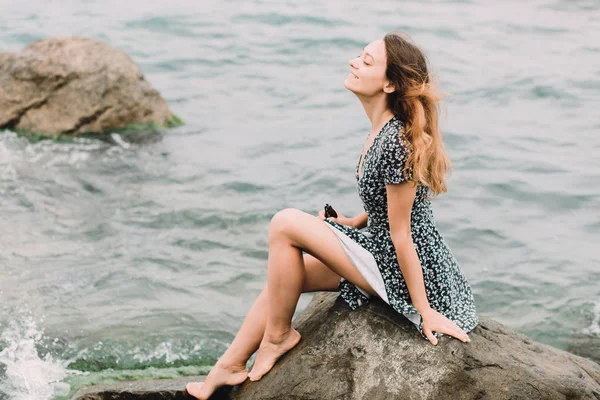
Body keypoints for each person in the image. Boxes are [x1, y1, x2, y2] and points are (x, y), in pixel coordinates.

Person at [185, 31, 478, 400]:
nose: (354, 63)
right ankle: (228, 366)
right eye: (359, 56)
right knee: (284, 279)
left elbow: (403, 233)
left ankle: (277, 337)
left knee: (285, 223)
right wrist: (356, 221)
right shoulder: (384, 131)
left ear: (389, 83)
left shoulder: (396, 141)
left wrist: (423, 311)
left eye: (366, 61)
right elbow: (392, 210)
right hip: (385, 250)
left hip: (403, 269)